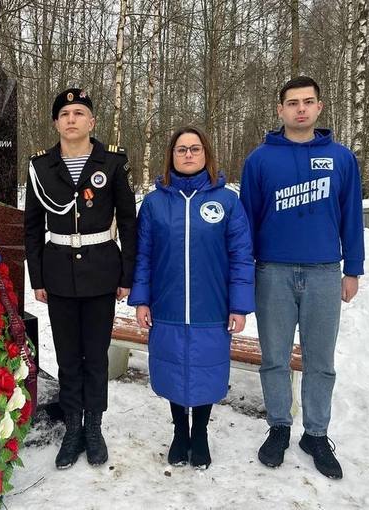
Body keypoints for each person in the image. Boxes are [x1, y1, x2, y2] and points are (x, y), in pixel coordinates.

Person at [239, 76, 365, 480]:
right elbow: (246, 223)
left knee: (320, 361)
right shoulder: (260, 160)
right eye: (292, 103)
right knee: (274, 357)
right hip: (271, 272)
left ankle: (316, 433)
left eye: (307, 102)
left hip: (325, 273)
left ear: (319, 107)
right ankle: (279, 425)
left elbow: (352, 217)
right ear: (280, 111)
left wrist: (353, 269)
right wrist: (244, 274)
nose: (300, 109)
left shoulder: (341, 158)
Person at [128, 126, 255, 469]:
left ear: (206, 155)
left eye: (194, 149)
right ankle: (179, 431)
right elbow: (143, 255)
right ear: (171, 156)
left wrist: (239, 305)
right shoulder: (155, 203)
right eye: (181, 149)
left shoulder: (226, 200)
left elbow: (241, 254)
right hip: (166, 305)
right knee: (171, 368)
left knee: (205, 371)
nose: (187, 154)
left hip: (210, 307)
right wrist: (141, 299)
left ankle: (199, 432)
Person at [24, 88, 137, 469]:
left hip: (102, 270)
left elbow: (127, 221)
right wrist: (37, 276)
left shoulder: (113, 163)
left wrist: (127, 273)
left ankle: (95, 427)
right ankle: (73, 427)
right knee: (69, 357)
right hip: (58, 273)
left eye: (79, 112)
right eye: (64, 114)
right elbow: (31, 228)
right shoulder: (41, 168)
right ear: (56, 123)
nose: (71, 119)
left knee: (96, 358)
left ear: (91, 121)